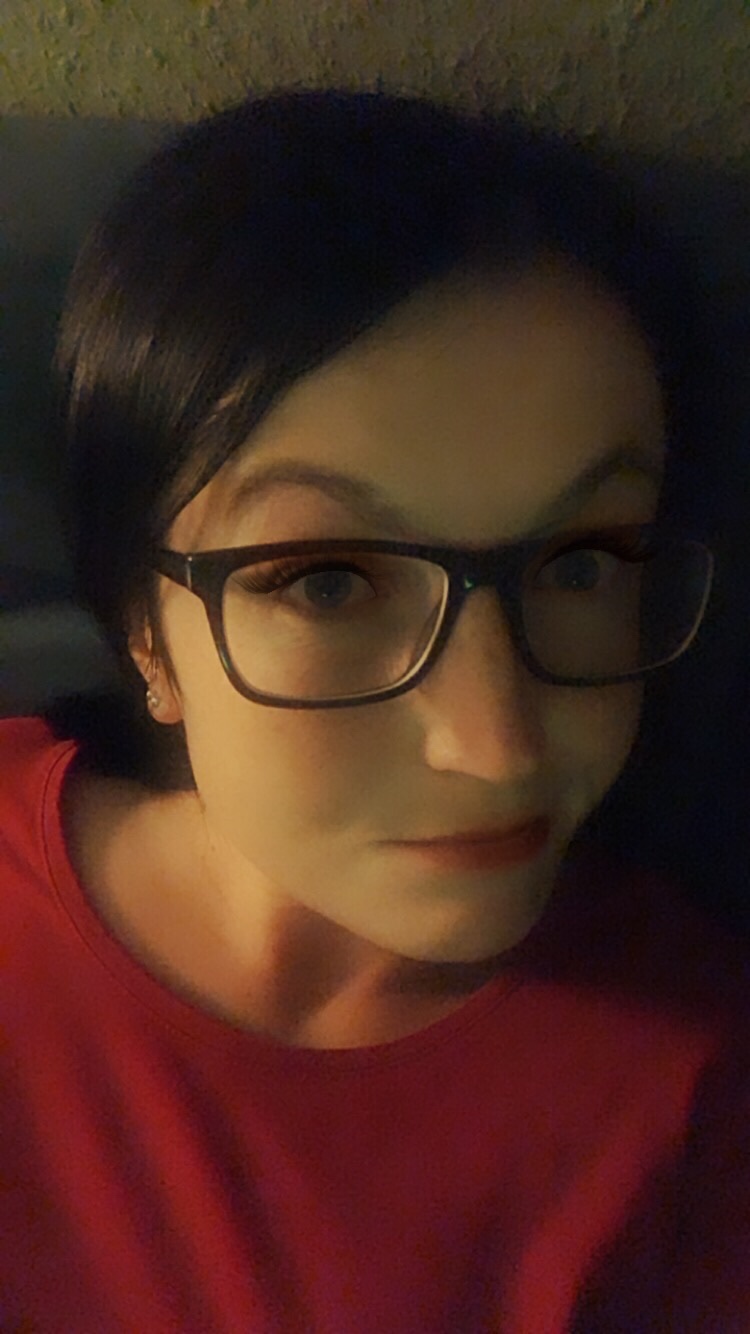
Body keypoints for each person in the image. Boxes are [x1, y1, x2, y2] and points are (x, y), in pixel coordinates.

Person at [0, 87, 746, 1332]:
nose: (497, 744)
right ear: (143, 627)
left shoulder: (697, 1090)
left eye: (583, 560)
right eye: (330, 581)